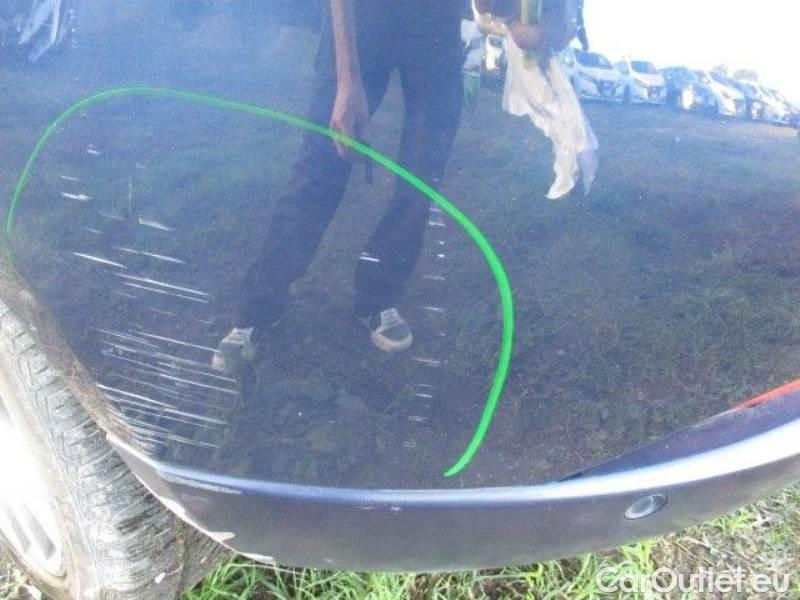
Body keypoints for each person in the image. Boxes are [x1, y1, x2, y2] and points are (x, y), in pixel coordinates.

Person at [213, 0, 465, 373]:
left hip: (436, 25)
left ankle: (378, 295)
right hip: (363, 19)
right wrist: (347, 81)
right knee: (319, 168)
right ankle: (256, 308)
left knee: (421, 178)